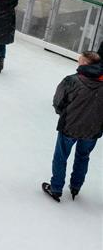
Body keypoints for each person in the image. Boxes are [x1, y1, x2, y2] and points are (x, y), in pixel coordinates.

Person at [42, 51, 103, 203]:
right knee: (83, 156)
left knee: (61, 156)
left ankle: (56, 188)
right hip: (92, 130)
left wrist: (64, 113)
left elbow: (58, 102)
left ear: (84, 63)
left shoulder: (72, 81)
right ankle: (76, 186)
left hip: (70, 126)